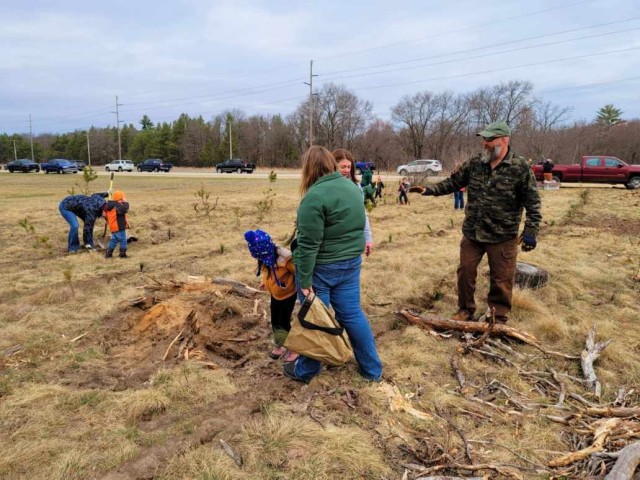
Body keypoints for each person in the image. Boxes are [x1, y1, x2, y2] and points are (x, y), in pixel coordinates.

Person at [411, 121, 542, 324]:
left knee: (501, 278)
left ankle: (497, 316)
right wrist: (429, 190)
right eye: (484, 139)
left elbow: (532, 202)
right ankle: (465, 309)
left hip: (502, 235)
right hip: (473, 232)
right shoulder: (476, 163)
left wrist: (530, 231)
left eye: (490, 139)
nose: (485, 144)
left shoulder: (520, 167)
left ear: (504, 140)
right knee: (465, 271)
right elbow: (454, 182)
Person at [285, 146, 383, 384]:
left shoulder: (313, 197)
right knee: (352, 314)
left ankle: (306, 370)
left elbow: (308, 245)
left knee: (316, 318)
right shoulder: (351, 187)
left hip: (323, 268)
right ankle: (372, 370)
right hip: (350, 263)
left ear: (308, 169)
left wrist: (305, 281)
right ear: (330, 164)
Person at [244, 229, 298, 363]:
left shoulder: (286, 258)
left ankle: (294, 349)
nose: (260, 260)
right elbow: (266, 271)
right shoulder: (264, 258)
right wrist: (265, 282)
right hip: (275, 295)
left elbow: (299, 272)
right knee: (275, 322)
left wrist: (304, 288)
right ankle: (281, 345)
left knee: (284, 322)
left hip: (288, 294)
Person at [332, 148, 374, 256]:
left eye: (349, 167)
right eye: (342, 167)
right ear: (332, 165)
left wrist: (368, 238)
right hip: (332, 246)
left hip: (351, 245)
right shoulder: (326, 186)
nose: (346, 170)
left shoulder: (356, 187)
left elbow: (362, 214)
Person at [105, 191, 130, 258]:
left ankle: (108, 254)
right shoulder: (116, 206)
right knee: (123, 240)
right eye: (122, 199)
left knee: (114, 240)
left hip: (114, 227)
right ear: (119, 199)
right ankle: (122, 254)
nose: (123, 201)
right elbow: (125, 209)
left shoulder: (111, 205)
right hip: (118, 226)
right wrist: (125, 202)